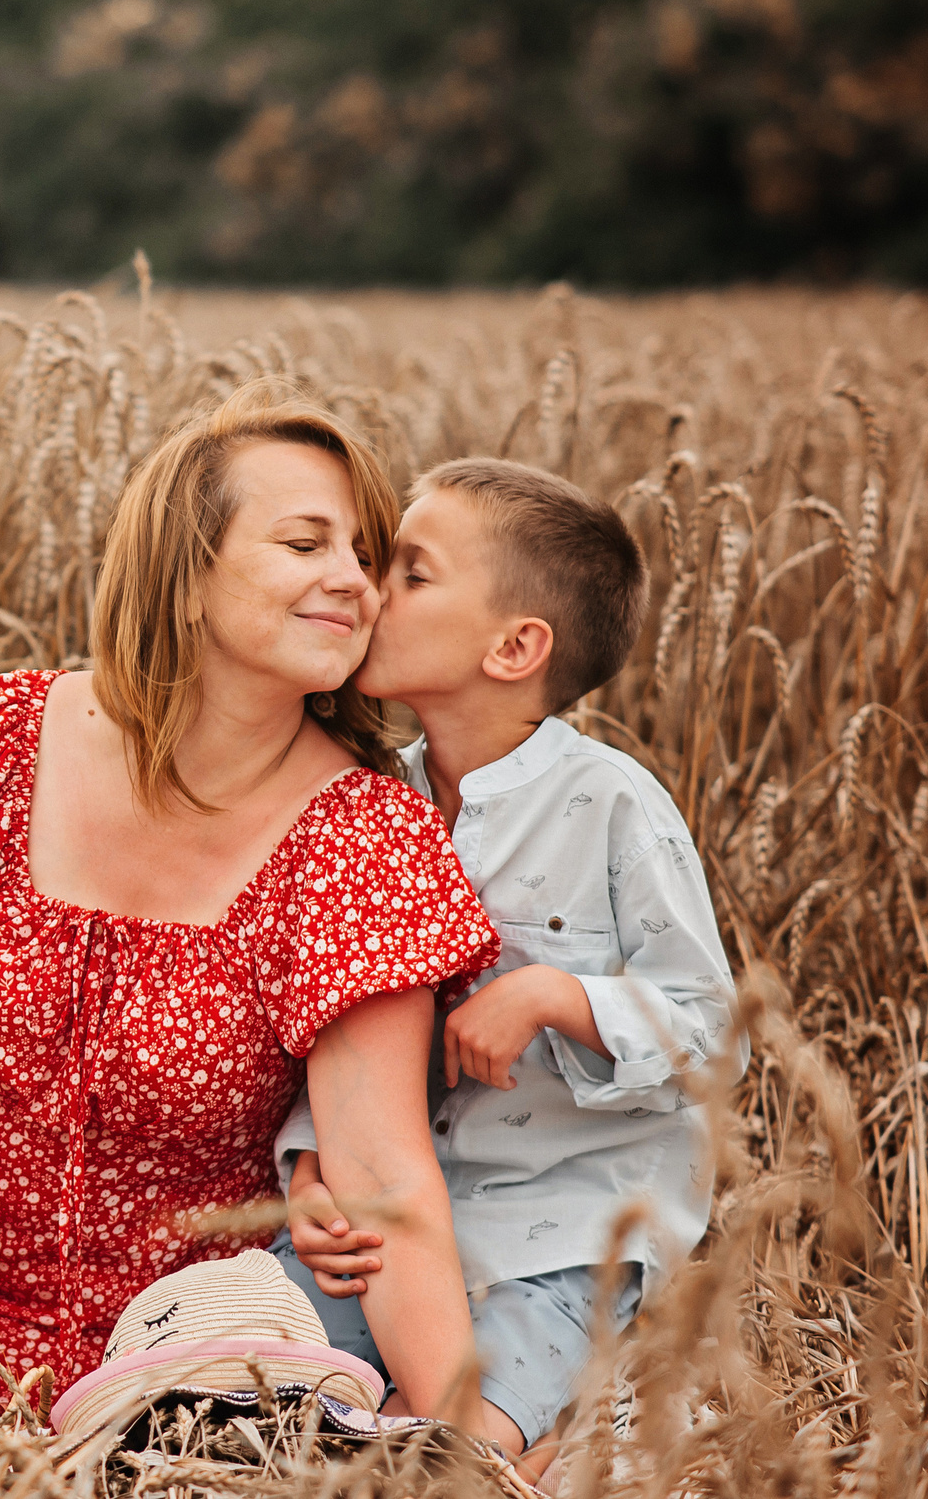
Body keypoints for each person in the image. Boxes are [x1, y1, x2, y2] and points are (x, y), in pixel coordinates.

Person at [0, 379, 505, 1430]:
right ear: (185, 575)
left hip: (161, 1341)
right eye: (306, 543)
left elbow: (382, 1181)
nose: (352, 582)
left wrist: (463, 1433)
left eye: (365, 554)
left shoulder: (357, 838)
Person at [274, 459, 743, 1476]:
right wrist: (309, 1167)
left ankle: (556, 1425)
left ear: (514, 645)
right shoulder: (369, 803)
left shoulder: (611, 802)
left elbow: (708, 1024)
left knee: (441, 1442)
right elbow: (346, 1022)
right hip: (396, 1226)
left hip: (563, 1232)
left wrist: (554, 994)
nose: (366, 589)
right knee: (233, 1365)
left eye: (409, 572)